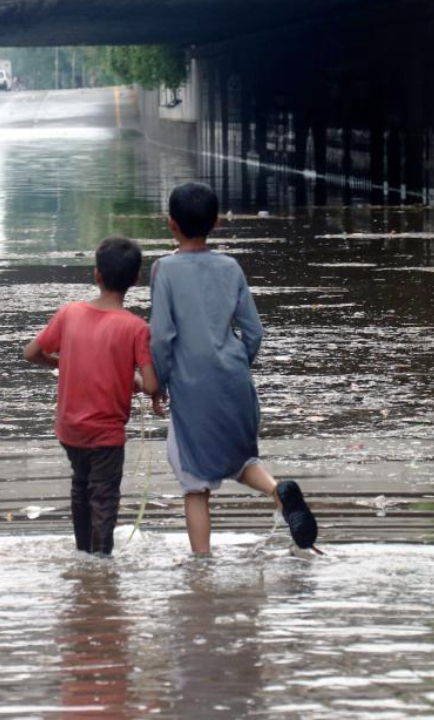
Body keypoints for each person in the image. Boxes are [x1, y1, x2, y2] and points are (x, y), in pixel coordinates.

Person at [149, 182, 318, 555]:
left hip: (192, 386)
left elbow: (161, 337)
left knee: (195, 484)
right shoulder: (231, 267)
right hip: (234, 378)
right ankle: (279, 492)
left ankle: (201, 568)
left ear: (170, 224)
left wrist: (156, 384)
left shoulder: (164, 271)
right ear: (218, 223)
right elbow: (253, 331)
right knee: (239, 459)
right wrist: (236, 366)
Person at [24, 237, 159, 556]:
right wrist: (136, 381)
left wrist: (63, 362)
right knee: (105, 496)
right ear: (135, 280)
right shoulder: (135, 327)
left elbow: (31, 353)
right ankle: (101, 560)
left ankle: (83, 554)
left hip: (70, 430)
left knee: (80, 485)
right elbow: (152, 385)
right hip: (106, 435)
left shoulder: (69, 313)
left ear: (96, 275)